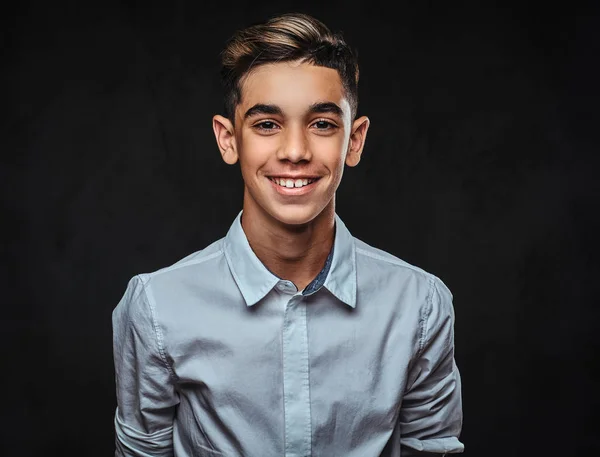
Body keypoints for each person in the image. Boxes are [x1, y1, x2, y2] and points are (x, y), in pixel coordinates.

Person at [112, 12, 464, 457]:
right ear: (228, 139)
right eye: (266, 124)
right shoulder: (156, 308)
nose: (295, 151)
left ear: (353, 141)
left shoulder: (420, 306)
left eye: (322, 124)